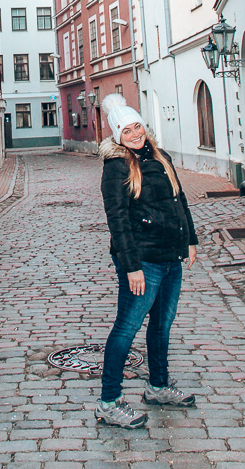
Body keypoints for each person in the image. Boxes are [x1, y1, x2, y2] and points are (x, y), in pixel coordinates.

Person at [94, 94, 198, 429]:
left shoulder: (161, 156)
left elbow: (179, 200)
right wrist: (131, 266)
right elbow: (118, 220)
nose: (135, 133)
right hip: (143, 262)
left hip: (171, 256)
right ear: (117, 137)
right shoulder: (117, 168)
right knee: (126, 327)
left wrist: (191, 240)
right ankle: (109, 402)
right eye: (127, 131)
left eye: (137, 126)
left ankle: (158, 387)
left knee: (162, 325)